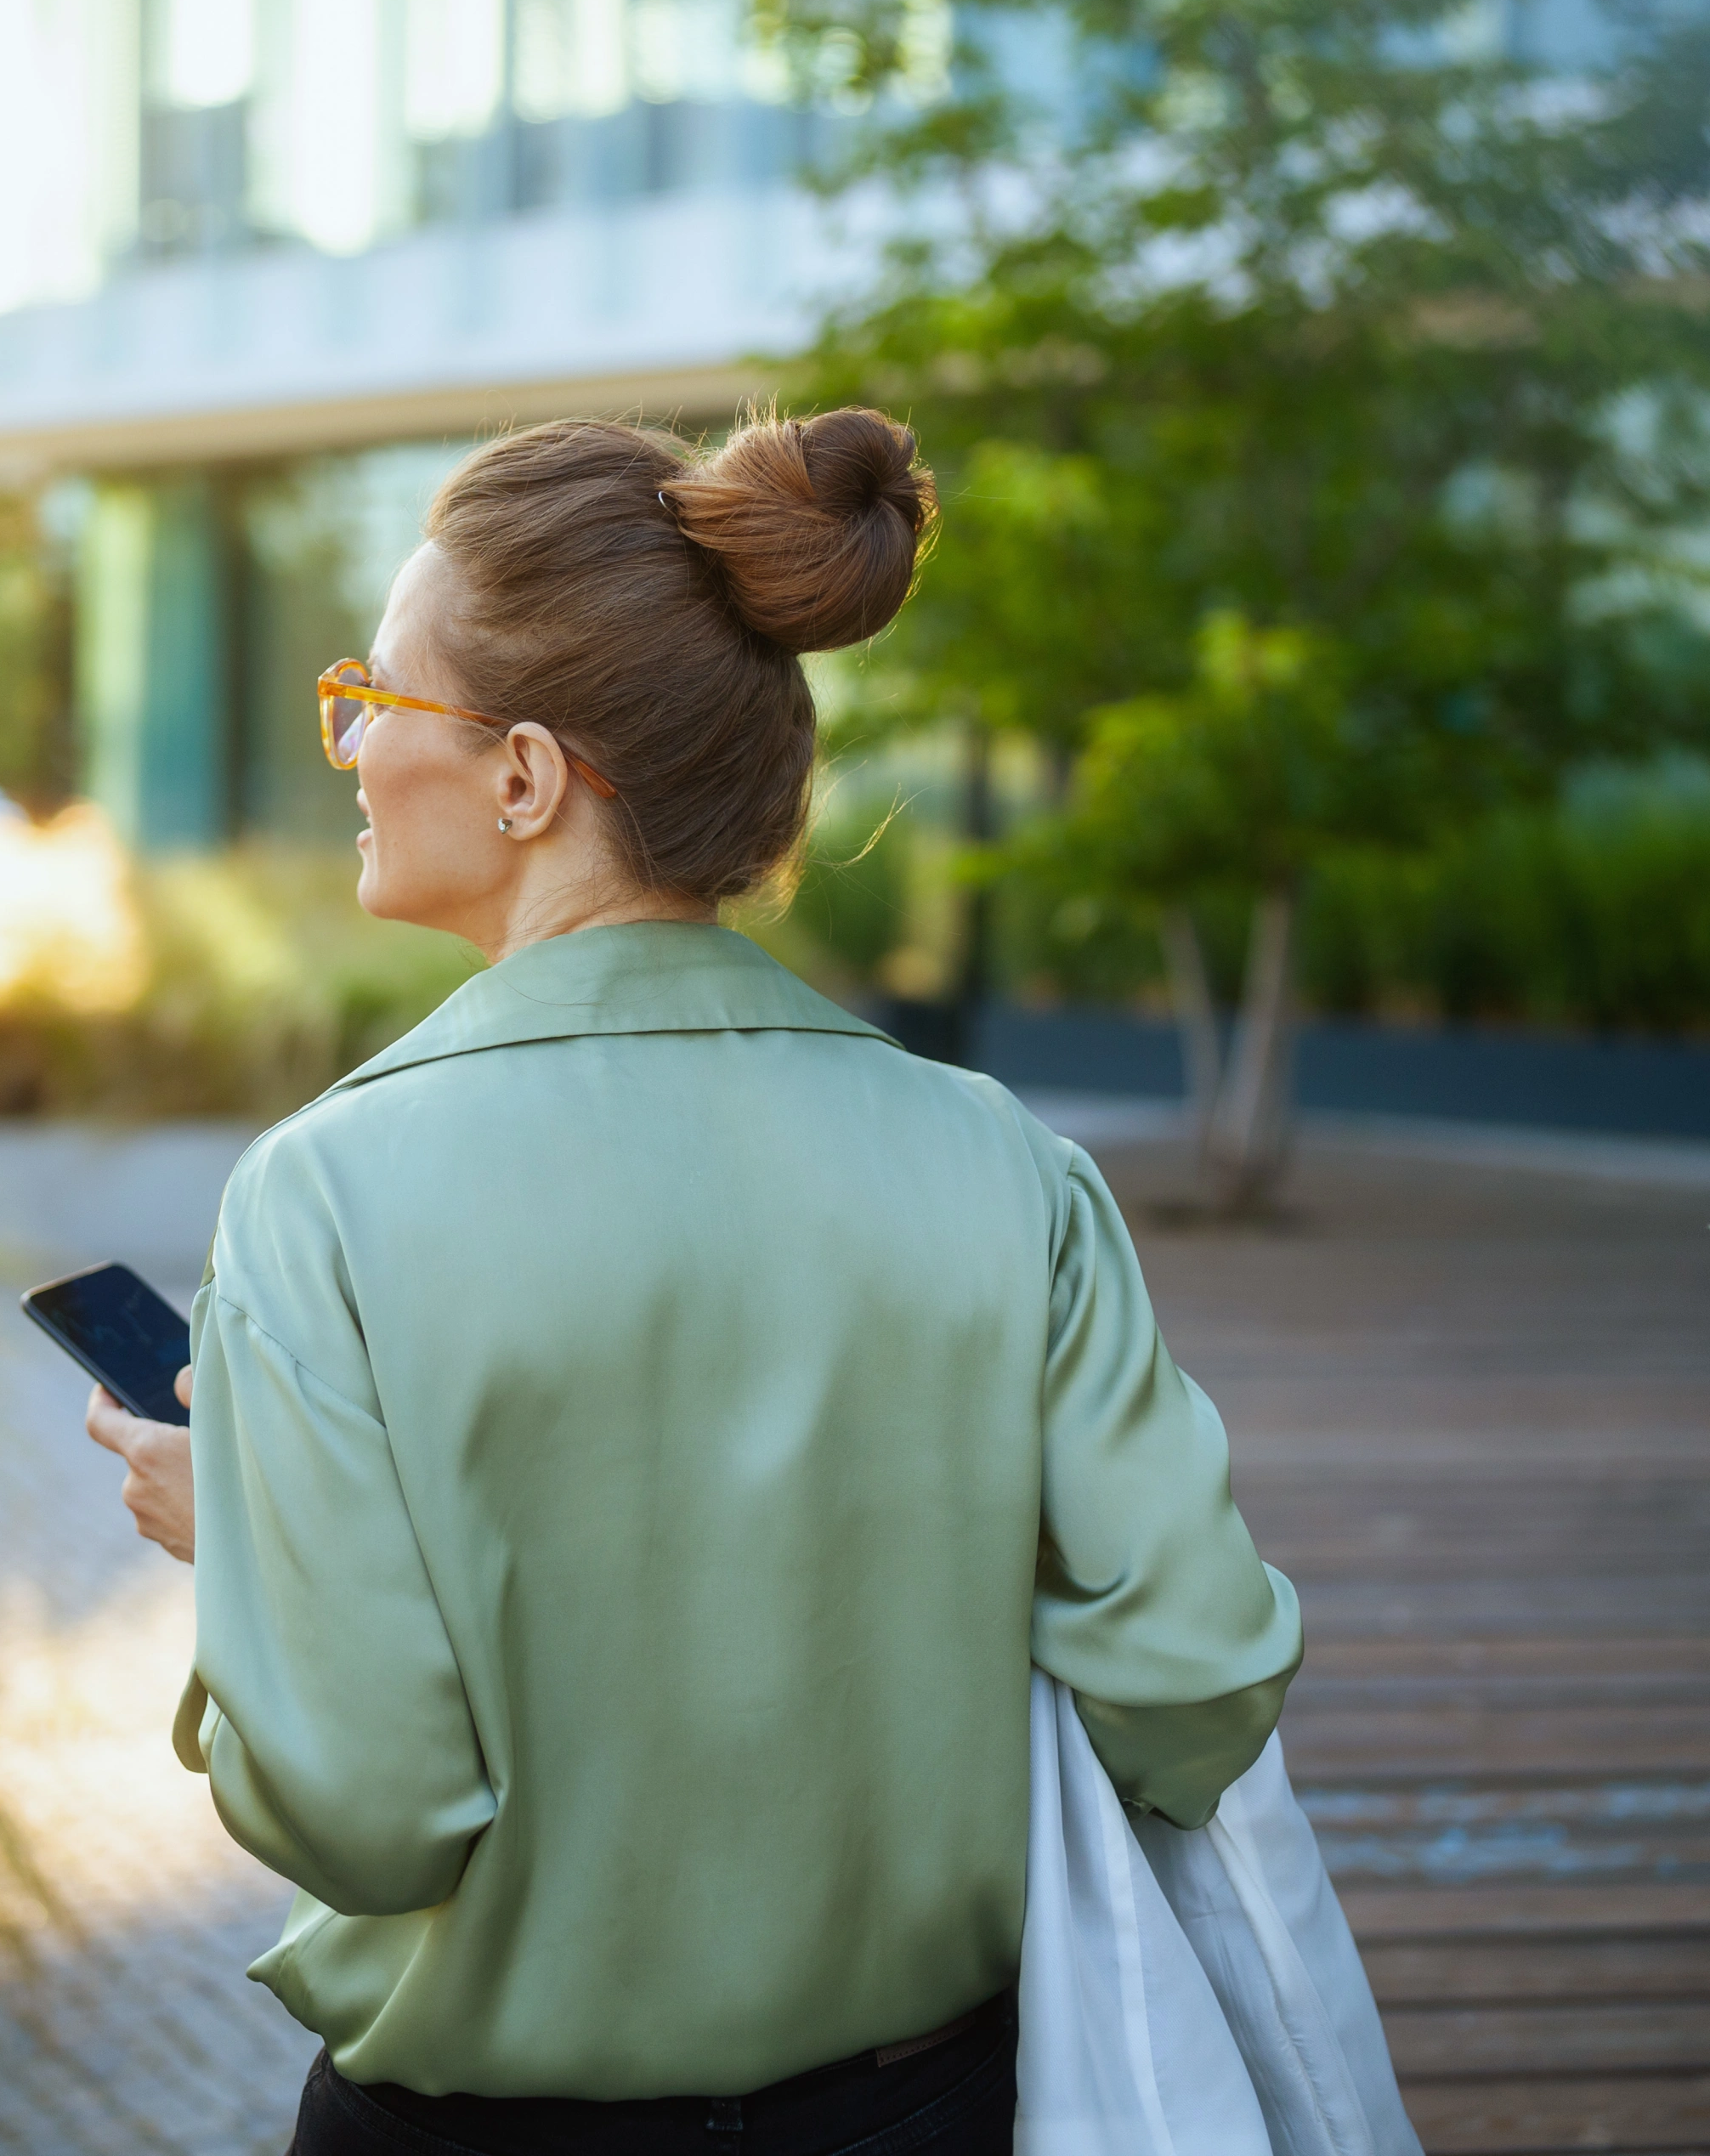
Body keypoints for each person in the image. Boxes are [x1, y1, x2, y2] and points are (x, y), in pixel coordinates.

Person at [83, 409, 1300, 2156]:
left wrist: (259, 1553)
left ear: (524, 775)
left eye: (373, 701)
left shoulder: (325, 1195)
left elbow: (368, 1811)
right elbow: (1195, 1683)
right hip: (940, 2112)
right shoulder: (1000, 1161)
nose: (346, 748)